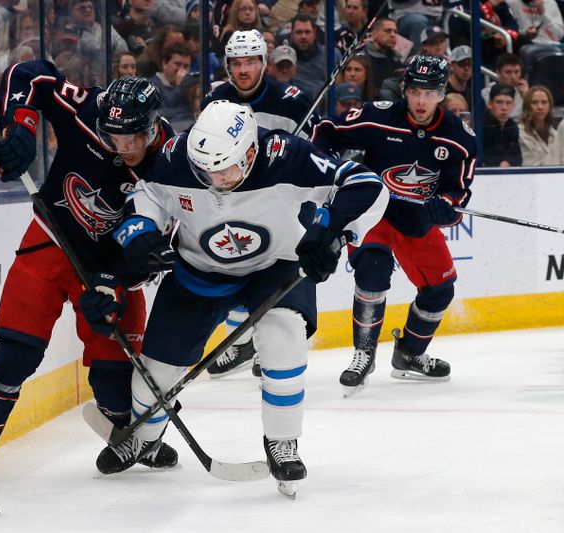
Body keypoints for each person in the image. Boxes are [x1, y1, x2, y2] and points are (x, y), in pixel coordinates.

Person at [84, 100, 387, 497]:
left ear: (249, 152)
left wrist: (331, 229)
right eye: (204, 169)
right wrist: (141, 230)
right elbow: (148, 197)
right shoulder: (178, 157)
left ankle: (282, 441)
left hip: (276, 266)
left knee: (285, 340)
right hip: (199, 270)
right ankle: (144, 436)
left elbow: (366, 184)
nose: (213, 178)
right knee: (155, 372)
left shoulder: (286, 155)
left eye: (224, 167)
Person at [0, 68, 178, 486]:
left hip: (110, 270)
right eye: (115, 137)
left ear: (154, 125)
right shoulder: (87, 108)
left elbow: (154, 249)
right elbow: (31, 75)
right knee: (15, 354)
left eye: (135, 137)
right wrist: (20, 124)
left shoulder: (172, 162)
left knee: (113, 383)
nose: (125, 147)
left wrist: (116, 284)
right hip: (50, 242)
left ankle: (135, 433)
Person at [311, 55, 477, 396]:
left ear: (442, 94)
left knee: (440, 290)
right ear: (405, 89)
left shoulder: (459, 139)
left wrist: (446, 207)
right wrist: (328, 172)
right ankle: (364, 354)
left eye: (429, 93)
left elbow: (457, 193)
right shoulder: (379, 116)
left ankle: (410, 355)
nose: (421, 101)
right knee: (373, 267)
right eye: (415, 91)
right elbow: (326, 132)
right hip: (375, 212)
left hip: (416, 222)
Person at [200, 29, 321, 378]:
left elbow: (313, 154)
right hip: (238, 198)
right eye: (236, 63)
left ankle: (268, 345)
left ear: (264, 63)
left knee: (281, 270)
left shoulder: (294, 101)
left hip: (284, 200)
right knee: (237, 265)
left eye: (251, 61)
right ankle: (240, 344)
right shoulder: (216, 100)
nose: (243, 69)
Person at [518, 85, 561, 165]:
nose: (540, 107)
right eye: (534, 102)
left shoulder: (555, 135)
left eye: (544, 102)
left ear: (550, 105)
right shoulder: (520, 133)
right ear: (527, 105)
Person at [483, 83, 522, 166]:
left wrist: (508, 162)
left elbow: (517, 157)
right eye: (499, 102)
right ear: (490, 104)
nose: (504, 108)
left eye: (508, 103)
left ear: (513, 106)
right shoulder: (481, 126)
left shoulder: (513, 126)